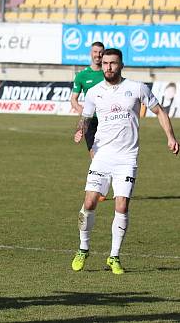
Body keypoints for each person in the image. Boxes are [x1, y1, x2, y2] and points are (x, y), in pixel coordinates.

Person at [70, 48, 178, 275]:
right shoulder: (94, 92)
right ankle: (83, 249)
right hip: (101, 156)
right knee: (89, 203)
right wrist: (80, 131)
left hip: (127, 158)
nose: (108, 67)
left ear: (121, 65)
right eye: (106, 63)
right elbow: (86, 118)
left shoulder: (137, 88)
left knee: (121, 205)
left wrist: (170, 137)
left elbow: (159, 111)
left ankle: (114, 256)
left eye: (113, 63)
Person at [71, 41, 105, 159]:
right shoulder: (81, 75)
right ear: (91, 53)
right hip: (91, 120)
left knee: (110, 153)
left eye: (101, 52)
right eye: (95, 52)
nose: (98, 55)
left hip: (107, 118)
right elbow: (73, 99)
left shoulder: (109, 73)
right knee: (93, 151)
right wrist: (82, 111)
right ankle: (98, 177)